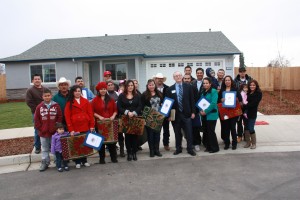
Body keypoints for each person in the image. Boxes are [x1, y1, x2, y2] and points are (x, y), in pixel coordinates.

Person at [166, 71, 196, 156]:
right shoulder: (169, 89)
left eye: (179, 75)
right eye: (176, 76)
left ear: (182, 76)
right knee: (177, 133)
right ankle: (178, 148)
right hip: (175, 115)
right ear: (173, 78)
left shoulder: (189, 87)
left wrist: (193, 112)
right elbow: (168, 103)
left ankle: (190, 149)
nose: (178, 77)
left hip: (187, 114)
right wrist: (169, 116)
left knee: (189, 133)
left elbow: (192, 100)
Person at [65, 85, 95, 168]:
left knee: (85, 144)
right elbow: (67, 117)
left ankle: (84, 160)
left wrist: (92, 125)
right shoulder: (69, 103)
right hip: (75, 127)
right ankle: (77, 161)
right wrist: (71, 129)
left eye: (79, 91)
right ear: (73, 92)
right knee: (77, 144)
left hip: (85, 125)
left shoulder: (86, 101)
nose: (77, 93)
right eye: (75, 91)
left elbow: (90, 114)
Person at [34, 88, 62, 171]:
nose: (47, 97)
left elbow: (59, 117)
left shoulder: (56, 106)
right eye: (45, 96)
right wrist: (41, 129)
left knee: (55, 147)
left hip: (54, 133)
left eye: (48, 96)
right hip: (43, 132)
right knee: (45, 148)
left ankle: (58, 161)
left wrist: (56, 127)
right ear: (42, 97)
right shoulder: (39, 107)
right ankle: (45, 162)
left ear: (51, 96)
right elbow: (36, 119)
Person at [91, 82, 118, 164]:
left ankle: (114, 157)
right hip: (99, 124)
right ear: (98, 90)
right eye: (101, 89)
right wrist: (99, 117)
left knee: (112, 142)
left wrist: (113, 116)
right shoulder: (94, 100)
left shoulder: (111, 99)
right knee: (101, 142)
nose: (103, 90)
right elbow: (92, 112)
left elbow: (115, 110)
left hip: (110, 123)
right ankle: (102, 158)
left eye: (104, 89)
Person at [117, 80, 142, 161]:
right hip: (126, 119)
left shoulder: (137, 96)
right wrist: (127, 112)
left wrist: (134, 112)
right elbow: (119, 107)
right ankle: (129, 153)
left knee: (134, 136)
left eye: (132, 85)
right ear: (126, 87)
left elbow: (140, 106)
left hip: (135, 118)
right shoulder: (121, 96)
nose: (130, 87)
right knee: (127, 137)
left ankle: (134, 153)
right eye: (129, 85)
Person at [25, 74, 48, 154]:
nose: (37, 80)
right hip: (36, 113)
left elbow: (49, 99)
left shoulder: (45, 89)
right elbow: (29, 102)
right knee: (37, 130)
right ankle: (37, 147)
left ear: (41, 80)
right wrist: (38, 110)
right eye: (35, 79)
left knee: (48, 128)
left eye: (39, 79)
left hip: (46, 112)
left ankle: (49, 145)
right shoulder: (30, 90)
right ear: (32, 81)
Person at [218, 75, 242, 150]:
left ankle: (234, 143)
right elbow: (218, 101)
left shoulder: (235, 89)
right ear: (224, 82)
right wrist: (221, 100)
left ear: (231, 81)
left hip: (233, 112)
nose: (227, 81)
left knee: (233, 128)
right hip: (225, 112)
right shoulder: (222, 90)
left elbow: (240, 99)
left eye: (229, 80)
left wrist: (235, 99)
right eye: (226, 80)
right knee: (226, 128)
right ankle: (227, 143)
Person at [141, 79, 164, 157]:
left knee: (157, 135)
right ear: (147, 86)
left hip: (158, 118)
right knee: (150, 135)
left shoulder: (160, 94)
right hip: (149, 118)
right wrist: (145, 117)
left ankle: (157, 150)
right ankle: (151, 151)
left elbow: (163, 104)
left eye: (153, 85)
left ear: (155, 85)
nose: (151, 86)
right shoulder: (144, 95)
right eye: (150, 85)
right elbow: (142, 107)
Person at [199, 77, 219, 153]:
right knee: (206, 132)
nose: (205, 84)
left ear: (210, 84)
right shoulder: (203, 91)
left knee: (211, 132)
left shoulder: (214, 91)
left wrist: (206, 111)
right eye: (204, 83)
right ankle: (208, 147)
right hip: (204, 116)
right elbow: (201, 102)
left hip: (211, 115)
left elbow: (213, 103)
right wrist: (200, 110)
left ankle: (215, 148)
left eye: (207, 83)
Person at [153, 73, 171, 151]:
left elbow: (170, 101)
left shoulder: (167, 88)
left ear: (163, 80)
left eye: (161, 79)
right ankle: (156, 146)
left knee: (166, 130)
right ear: (155, 79)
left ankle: (166, 144)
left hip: (166, 112)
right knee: (157, 130)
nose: (159, 80)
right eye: (158, 78)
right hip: (156, 113)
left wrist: (170, 114)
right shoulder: (152, 88)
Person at [234, 66, 253, 139]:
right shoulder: (235, 80)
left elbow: (253, 89)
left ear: (245, 72)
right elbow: (234, 91)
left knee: (246, 120)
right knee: (238, 121)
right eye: (241, 72)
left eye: (243, 71)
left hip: (247, 104)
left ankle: (246, 135)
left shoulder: (249, 79)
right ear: (239, 72)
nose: (242, 73)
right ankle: (239, 135)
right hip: (238, 104)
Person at [244, 80, 262, 149]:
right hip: (246, 112)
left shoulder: (258, 93)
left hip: (252, 113)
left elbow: (254, 103)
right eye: (251, 85)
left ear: (256, 86)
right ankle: (248, 142)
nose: (252, 86)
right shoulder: (248, 92)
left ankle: (254, 143)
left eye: (253, 85)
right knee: (246, 128)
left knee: (251, 128)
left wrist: (245, 106)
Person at [191, 67, 205, 149]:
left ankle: (205, 140)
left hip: (204, 107)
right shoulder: (192, 83)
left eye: (201, 73)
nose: (199, 74)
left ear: (203, 74)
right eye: (198, 73)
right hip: (195, 108)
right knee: (196, 126)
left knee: (205, 125)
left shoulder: (206, 82)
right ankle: (197, 141)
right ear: (196, 74)